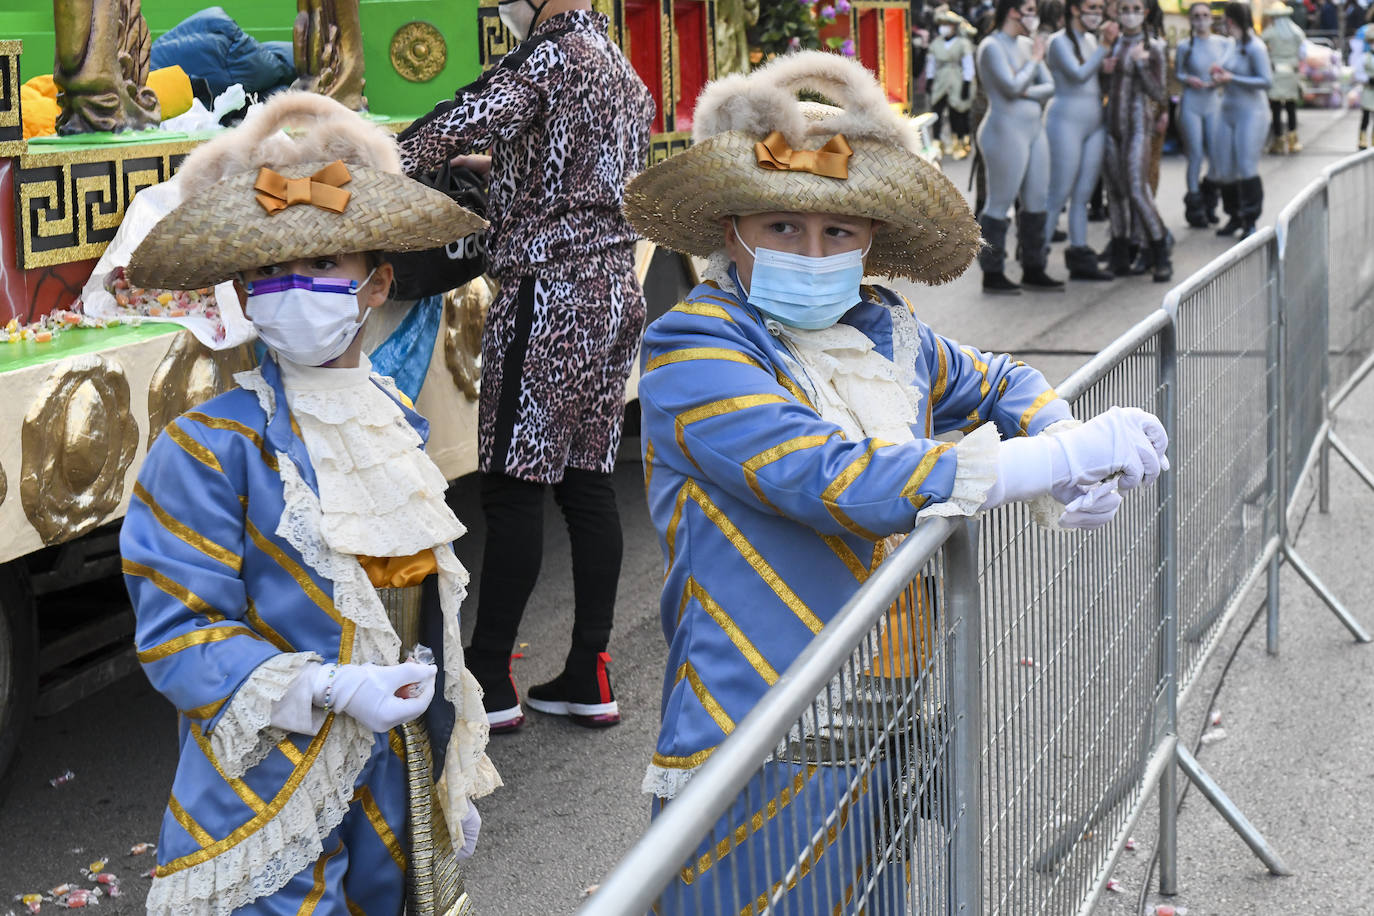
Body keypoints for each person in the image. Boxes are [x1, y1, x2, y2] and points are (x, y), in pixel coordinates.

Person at [622, 50, 1170, 913]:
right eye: (780, 228)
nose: (813, 250)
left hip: (889, 729)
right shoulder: (696, 345)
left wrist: (1060, 435)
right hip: (762, 737)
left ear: (870, 235)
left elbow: (999, 382)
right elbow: (828, 477)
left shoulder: (887, 328)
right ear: (731, 230)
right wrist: (1043, 464)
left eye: (836, 231)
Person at [120, 91, 500, 915]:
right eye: (268, 271)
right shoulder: (206, 446)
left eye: (323, 264)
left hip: (394, 785)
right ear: (243, 294)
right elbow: (183, 637)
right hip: (267, 796)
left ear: (376, 284)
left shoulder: (393, 417)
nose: (293, 289)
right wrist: (327, 688)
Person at [395, 0, 655, 732]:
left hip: (548, 297)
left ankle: (490, 678)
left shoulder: (547, 56)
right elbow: (572, 163)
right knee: (586, 483)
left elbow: (449, 125)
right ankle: (588, 672)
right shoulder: (623, 72)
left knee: (512, 490)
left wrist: (365, 162)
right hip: (612, 293)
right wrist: (499, 166)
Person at [976, 0, 1064, 293]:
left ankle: (1034, 266)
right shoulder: (991, 46)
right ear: (1013, 11)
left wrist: (1026, 84)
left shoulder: (1027, 46)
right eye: (1029, 9)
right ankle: (992, 272)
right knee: (999, 203)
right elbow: (1010, 88)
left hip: (1032, 129)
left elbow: (1050, 87)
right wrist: (1035, 63)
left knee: (1037, 199)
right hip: (1003, 130)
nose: (1034, 16)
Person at [1044, 0, 1119, 279]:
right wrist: (1104, 49)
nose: (1097, 14)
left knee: (1083, 196)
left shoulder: (1090, 40)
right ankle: (1036, 258)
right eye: (1092, 7)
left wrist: (1105, 58)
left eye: (1100, 8)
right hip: (1065, 122)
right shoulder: (1057, 41)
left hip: (1094, 122)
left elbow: (1093, 71)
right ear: (1075, 9)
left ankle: (1079, 255)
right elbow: (1078, 75)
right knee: (1058, 193)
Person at [1101, 0, 1172, 281]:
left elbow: (1159, 92)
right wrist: (1104, 72)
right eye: (1125, 9)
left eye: (1135, 8)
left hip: (1138, 127)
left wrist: (1142, 67)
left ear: (1145, 13)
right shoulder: (1115, 43)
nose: (1130, 14)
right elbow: (1107, 86)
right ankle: (1120, 254)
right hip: (1111, 126)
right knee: (1115, 192)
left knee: (1137, 189)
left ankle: (1159, 250)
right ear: (1118, 13)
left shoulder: (1154, 47)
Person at [1213, 0, 1273, 239]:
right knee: (1225, 169)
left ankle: (1250, 219)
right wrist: (1218, 73)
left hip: (1252, 113)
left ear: (1231, 20)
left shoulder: (1256, 47)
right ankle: (1234, 215)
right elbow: (1226, 70)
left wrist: (1232, 78)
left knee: (1246, 165)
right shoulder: (1232, 44)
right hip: (1227, 110)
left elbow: (1266, 81)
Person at [1177, 2, 1232, 227]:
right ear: (1191, 20)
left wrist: (1220, 78)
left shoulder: (1223, 43)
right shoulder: (1185, 45)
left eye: (1205, 15)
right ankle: (1194, 204)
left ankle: (1210, 198)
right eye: (1197, 16)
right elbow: (1178, 73)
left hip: (1213, 101)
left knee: (1216, 155)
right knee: (1195, 154)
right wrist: (1189, 79)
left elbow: (1230, 69)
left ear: (1212, 18)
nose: (1201, 19)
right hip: (1192, 101)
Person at [926, 8, 977, 158]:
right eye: (942, 24)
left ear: (953, 26)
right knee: (937, 111)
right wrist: (930, 79)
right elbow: (932, 63)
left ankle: (959, 142)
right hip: (941, 79)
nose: (944, 27)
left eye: (947, 24)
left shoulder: (963, 43)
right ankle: (937, 142)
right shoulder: (936, 43)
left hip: (957, 79)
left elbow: (968, 64)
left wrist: (967, 83)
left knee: (957, 112)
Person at [1262, 0, 1308, 152]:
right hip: (1291, 73)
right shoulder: (1296, 31)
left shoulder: (1270, 32)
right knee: (1291, 107)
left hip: (1276, 73)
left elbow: (1261, 48)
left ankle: (1278, 140)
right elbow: (1303, 53)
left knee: (1275, 108)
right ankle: (1293, 141)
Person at [1352, 12, 1374, 148]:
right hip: (1368, 89)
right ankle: (1362, 140)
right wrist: (1368, 79)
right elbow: (1358, 72)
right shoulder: (1365, 57)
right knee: (1365, 116)